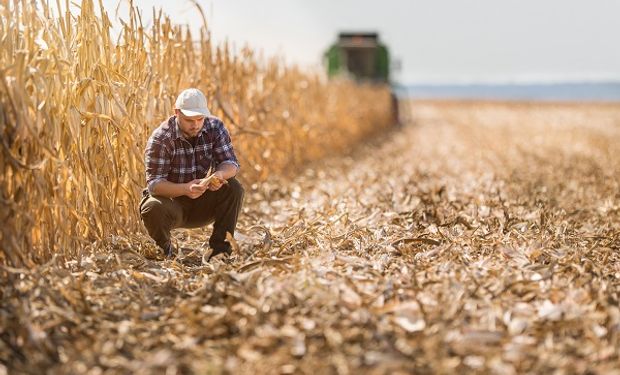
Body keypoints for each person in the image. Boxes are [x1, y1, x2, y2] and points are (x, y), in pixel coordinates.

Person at [139, 88, 244, 260]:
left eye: (199, 119)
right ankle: (163, 252)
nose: (195, 125)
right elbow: (155, 185)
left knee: (234, 188)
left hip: (202, 201)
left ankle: (220, 252)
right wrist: (186, 188)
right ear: (176, 113)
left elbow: (231, 164)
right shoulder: (161, 138)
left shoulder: (215, 127)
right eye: (189, 120)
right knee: (152, 207)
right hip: (172, 204)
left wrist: (218, 175)